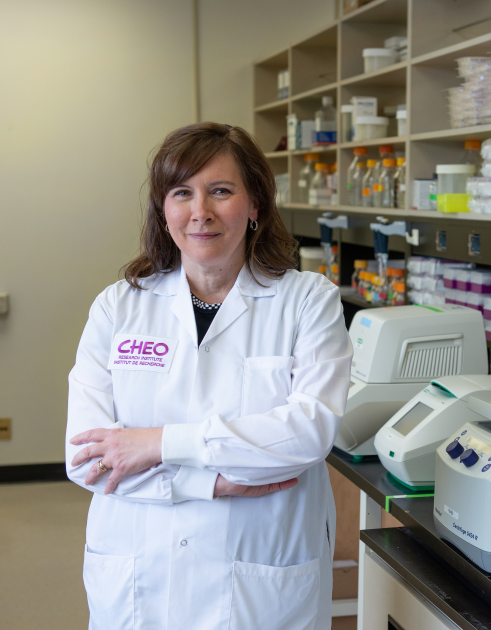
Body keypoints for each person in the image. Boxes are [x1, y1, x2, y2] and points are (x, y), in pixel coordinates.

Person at [65, 122, 352, 630]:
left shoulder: (307, 301)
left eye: (221, 191)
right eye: (182, 193)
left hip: (258, 576)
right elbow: (87, 459)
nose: (201, 212)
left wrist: (155, 444)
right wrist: (210, 483)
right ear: (164, 209)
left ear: (255, 204)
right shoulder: (118, 307)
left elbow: (307, 434)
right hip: (139, 573)